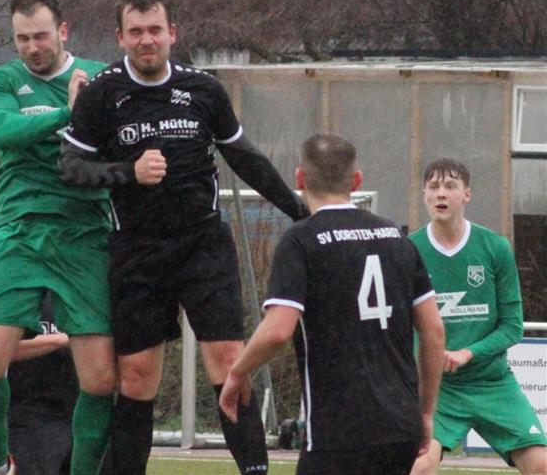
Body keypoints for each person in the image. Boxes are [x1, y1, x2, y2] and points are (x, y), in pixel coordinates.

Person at [60, 0, 307, 475]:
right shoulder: (103, 94)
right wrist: (127, 172)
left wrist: (300, 211)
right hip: (135, 250)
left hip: (202, 244)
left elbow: (245, 157)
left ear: (173, 33)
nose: (146, 40)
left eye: (155, 30)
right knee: (136, 378)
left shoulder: (203, 89)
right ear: (120, 37)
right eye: (136, 32)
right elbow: (69, 169)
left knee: (229, 361)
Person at [218, 134, 446, 475]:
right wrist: (425, 413)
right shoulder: (396, 237)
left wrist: (238, 371)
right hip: (400, 427)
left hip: (338, 430)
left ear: (299, 179)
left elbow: (279, 330)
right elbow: (434, 331)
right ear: (356, 181)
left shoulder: (301, 240)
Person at [0, 0, 115, 475]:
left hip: (84, 232)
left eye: (41, 36)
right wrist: (68, 115)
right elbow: (3, 132)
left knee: (98, 380)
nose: (32, 47)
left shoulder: (98, 75)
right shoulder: (2, 80)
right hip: (19, 230)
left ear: (64, 32)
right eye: (22, 39)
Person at [409, 159, 547, 475]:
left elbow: (512, 326)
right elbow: (398, 323)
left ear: (467, 195)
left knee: (542, 466)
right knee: (418, 467)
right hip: (437, 389)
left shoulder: (494, 247)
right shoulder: (409, 250)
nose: (441, 193)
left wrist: (469, 352)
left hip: (492, 383)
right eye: (433, 187)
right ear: (425, 195)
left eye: (450, 186)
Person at [7, 291, 80, 475]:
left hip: (84, 411)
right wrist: (62, 339)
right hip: (32, 413)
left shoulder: (87, 294)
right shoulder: (22, 295)